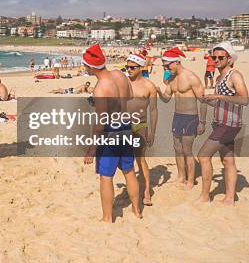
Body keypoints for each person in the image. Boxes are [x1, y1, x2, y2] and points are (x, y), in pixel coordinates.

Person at [82, 44, 142, 222]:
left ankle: (107, 217)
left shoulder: (100, 88)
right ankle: (137, 210)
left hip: (111, 132)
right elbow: (129, 96)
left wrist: (92, 149)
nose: (85, 68)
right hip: (126, 127)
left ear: (92, 66)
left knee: (106, 177)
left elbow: (100, 124)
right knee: (129, 171)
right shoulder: (120, 75)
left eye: (85, 65)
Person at [198, 42, 248, 205]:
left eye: (220, 57)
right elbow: (223, 103)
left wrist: (218, 97)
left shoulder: (234, 75)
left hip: (229, 124)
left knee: (203, 156)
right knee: (228, 161)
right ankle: (230, 198)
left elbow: (244, 99)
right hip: (221, 123)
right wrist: (209, 100)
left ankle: (205, 196)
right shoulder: (219, 77)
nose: (216, 60)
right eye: (214, 57)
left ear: (229, 58)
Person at [156, 47, 206, 190]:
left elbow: (203, 101)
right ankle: (181, 176)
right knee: (177, 148)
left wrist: (202, 122)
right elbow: (166, 99)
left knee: (187, 149)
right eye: (164, 66)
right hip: (177, 116)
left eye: (167, 65)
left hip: (190, 117)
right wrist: (159, 92)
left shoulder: (191, 77)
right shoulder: (171, 79)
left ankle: (190, 180)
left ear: (177, 62)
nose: (165, 68)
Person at [126, 53, 158, 206]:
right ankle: (132, 189)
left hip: (140, 126)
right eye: (127, 67)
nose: (129, 70)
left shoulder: (148, 86)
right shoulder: (123, 83)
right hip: (124, 126)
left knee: (140, 159)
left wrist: (152, 131)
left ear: (140, 68)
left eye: (132, 67)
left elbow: (153, 111)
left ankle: (146, 191)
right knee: (126, 160)